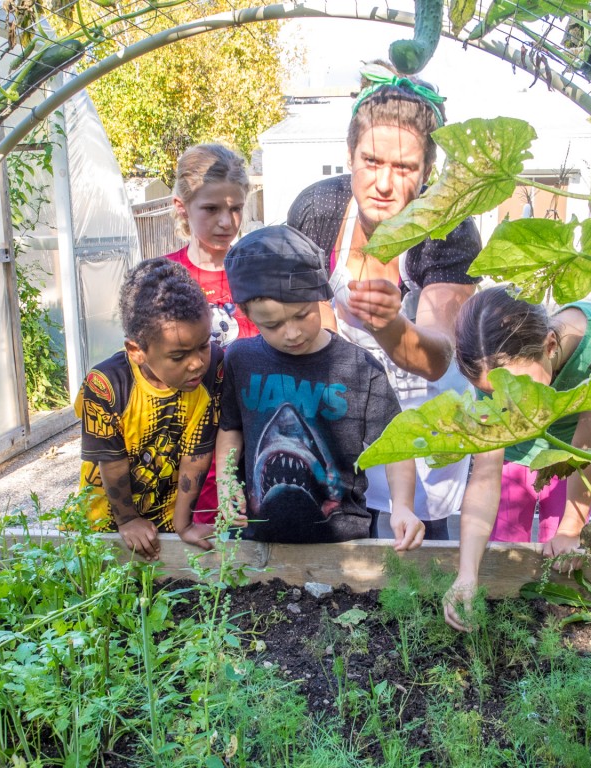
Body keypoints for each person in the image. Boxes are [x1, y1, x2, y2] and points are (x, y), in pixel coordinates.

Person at [288, 62, 481, 539]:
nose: (384, 184)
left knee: (418, 546)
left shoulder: (448, 229)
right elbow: (315, 330)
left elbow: (437, 357)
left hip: (423, 419)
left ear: (428, 171)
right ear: (350, 154)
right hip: (346, 415)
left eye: (404, 168)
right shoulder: (319, 209)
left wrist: (389, 325)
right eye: (371, 161)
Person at [214, 225, 425, 549]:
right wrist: (226, 484)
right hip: (254, 544)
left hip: (343, 547)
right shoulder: (240, 359)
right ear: (245, 313)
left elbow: (398, 447)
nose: (292, 333)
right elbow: (231, 428)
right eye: (272, 324)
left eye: (303, 315)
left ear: (321, 295)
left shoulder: (360, 367)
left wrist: (403, 507)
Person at [442, 286, 591, 631]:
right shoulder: (489, 367)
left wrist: (571, 529)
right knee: (504, 552)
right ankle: (511, 622)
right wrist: (466, 574)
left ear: (550, 346)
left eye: (517, 388)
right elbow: (484, 475)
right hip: (515, 454)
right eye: (493, 393)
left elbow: (590, 444)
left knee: (563, 552)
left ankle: (557, 631)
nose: (509, 402)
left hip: (571, 453)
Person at [75, 259, 241, 560]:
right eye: (178, 356)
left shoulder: (213, 368)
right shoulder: (106, 385)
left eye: (203, 345)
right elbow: (111, 463)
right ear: (137, 351)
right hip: (106, 521)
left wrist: (184, 523)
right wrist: (126, 521)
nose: (196, 363)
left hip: (166, 515)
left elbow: (198, 451)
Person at [166, 143, 257, 525]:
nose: (226, 221)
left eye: (235, 208)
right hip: (185, 440)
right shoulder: (165, 277)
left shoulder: (256, 270)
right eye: (211, 209)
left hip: (249, 433)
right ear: (181, 208)